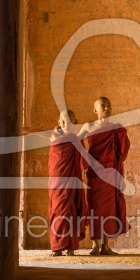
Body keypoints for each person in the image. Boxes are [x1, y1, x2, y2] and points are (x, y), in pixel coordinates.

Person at [78, 97, 130, 256]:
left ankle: (105, 246)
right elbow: (75, 141)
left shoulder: (116, 129)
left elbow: (120, 155)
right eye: (103, 106)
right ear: (95, 110)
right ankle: (95, 245)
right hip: (95, 172)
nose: (107, 108)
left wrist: (122, 176)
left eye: (109, 105)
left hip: (111, 172)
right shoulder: (89, 126)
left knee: (108, 209)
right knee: (94, 207)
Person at [47, 110, 89, 256]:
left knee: (72, 210)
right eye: (63, 122)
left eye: (70, 122)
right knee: (57, 210)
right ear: (58, 122)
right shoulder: (53, 136)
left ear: (75, 122)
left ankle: (71, 247)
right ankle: (57, 247)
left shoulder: (76, 140)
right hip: (56, 181)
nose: (66, 125)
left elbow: (85, 160)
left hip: (71, 181)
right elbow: (33, 131)